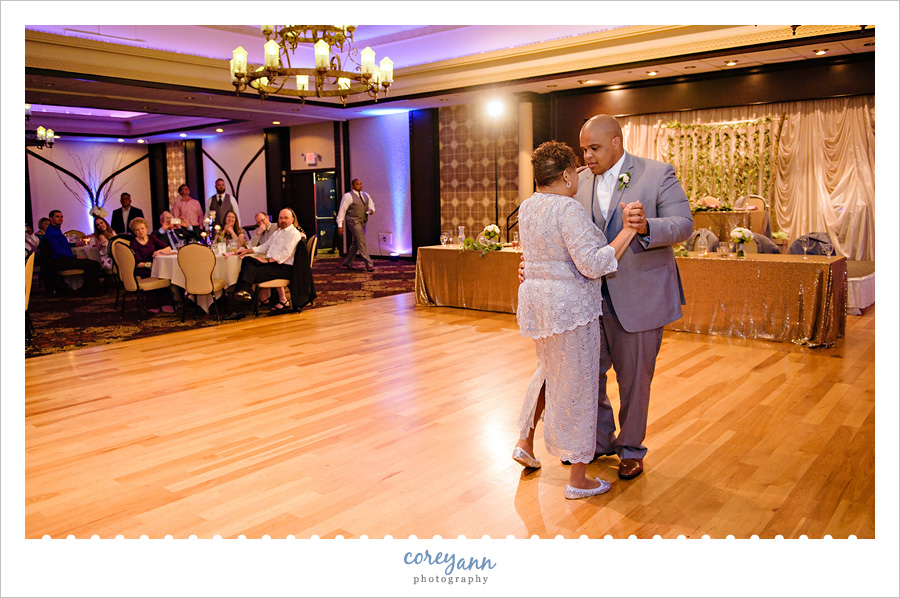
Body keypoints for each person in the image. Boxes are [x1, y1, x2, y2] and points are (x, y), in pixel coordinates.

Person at [512, 141, 638, 499]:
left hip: (540, 306)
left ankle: (525, 441)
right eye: (575, 172)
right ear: (566, 174)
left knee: (548, 372)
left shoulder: (528, 207)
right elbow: (593, 264)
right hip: (570, 310)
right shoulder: (567, 209)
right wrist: (627, 230)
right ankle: (578, 479)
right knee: (580, 385)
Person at [574, 114, 694, 479]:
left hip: (639, 296)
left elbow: (684, 224)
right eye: (583, 150)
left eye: (594, 148)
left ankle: (630, 448)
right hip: (590, 298)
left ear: (616, 142)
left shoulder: (657, 174)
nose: (588, 157)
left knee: (635, 379)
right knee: (586, 374)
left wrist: (647, 227)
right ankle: (599, 440)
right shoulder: (578, 182)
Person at [224, 208, 303, 319]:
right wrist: (247, 251)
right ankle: (244, 292)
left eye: (286, 218)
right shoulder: (278, 232)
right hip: (273, 265)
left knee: (248, 273)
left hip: (283, 268)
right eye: (281, 218)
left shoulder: (293, 233)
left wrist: (267, 260)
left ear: (292, 219)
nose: (283, 220)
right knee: (247, 260)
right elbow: (265, 246)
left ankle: (237, 306)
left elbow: (286, 253)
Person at [43, 210, 102, 294]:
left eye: (61, 216)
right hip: (60, 261)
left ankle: (88, 288)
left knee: (94, 264)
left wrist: (75, 244)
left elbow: (62, 245)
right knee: (91, 264)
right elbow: (57, 250)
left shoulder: (56, 230)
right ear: (51, 218)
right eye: (57, 216)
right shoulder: (51, 232)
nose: (60, 219)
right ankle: (89, 290)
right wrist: (74, 257)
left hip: (64, 258)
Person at [128, 217, 175, 313]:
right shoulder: (134, 243)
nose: (141, 231)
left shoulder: (152, 238)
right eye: (137, 230)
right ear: (134, 231)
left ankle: (166, 303)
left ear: (146, 228)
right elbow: (137, 263)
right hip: (143, 268)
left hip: (155, 266)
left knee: (163, 274)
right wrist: (149, 265)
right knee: (153, 274)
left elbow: (168, 248)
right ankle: (153, 304)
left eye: (142, 228)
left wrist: (158, 251)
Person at [336, 178, 375, 271]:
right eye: (357, 184)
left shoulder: (365, 195)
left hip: (363, 221)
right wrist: (340, 225)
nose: (360, 185)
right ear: (353, 186)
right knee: (361, 242)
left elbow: (371, 205)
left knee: (356, 242)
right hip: (353, 221)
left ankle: (348, 261)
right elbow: (342, 211)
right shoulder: (348, 196)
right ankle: (369, 264)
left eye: (361, 184)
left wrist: (371, 211)